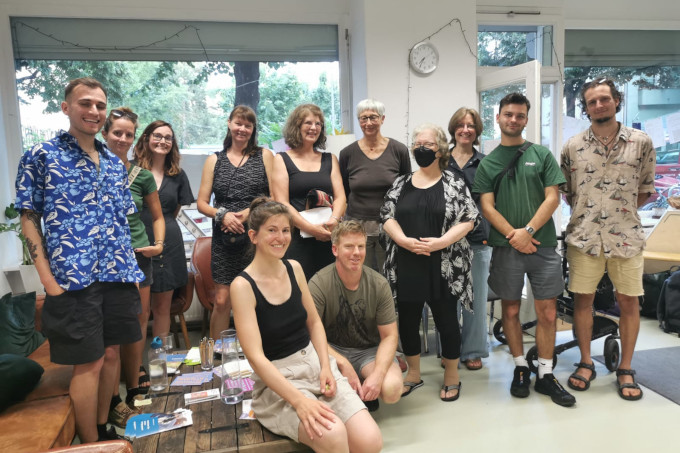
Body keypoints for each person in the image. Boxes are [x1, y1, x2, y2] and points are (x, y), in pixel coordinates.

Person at [15, 77, 145, 442]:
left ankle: (104, 428)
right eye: (85, 103)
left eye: (100, 105)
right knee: (88, 364)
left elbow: (121, 221)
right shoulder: (42, 155)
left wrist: (130, 270)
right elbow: (29, 218)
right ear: (66, 107)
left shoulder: (114, 163)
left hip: (117, 274)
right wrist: (48, 281)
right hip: (73, 279)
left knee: (112, 354)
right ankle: (90, 445)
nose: (94, 111)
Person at [230, 198, 382, 453]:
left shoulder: (294, 268)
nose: (281, 237)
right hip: (279, 380)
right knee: (333, 436)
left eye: (286, 230)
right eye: (272, 230)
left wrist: (326, 366)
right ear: (253, 236)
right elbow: (256, 358)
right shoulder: (242, 286)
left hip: (313, 363)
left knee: (370, 441)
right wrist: (299, 401)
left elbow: (314, 323)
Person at [472, 92, 575, 407]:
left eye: (519, 115)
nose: (513, 120)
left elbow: (553, 198)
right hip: (506, 249)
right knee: (512, 311)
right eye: (508, 114)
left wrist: (527, 231)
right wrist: (512, 235)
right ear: (498, 118)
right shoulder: (488, 163)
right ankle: (520, 367)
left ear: (526, 119)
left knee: (547, 312)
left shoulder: (541, 155)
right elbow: (486, 206)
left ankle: (545, 374)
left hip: (541, 246)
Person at [560, 78, 655, 401]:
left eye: (604, 99)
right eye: (592, 102)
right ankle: (586, 362)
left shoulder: (641, 142)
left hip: (626, 238)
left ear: (617, 101)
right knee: (582, 301)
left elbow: (645, 191)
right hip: (583, 238)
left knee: (629, 302)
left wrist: (618, 212)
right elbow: (569, 194)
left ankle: (626, 367)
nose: (598, 105)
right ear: (586, 109)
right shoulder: (573, 146)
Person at [381, 123, 478, 402]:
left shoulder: (454, 183)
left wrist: (440, 243)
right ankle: (413, 374)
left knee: (447, 321)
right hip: (406, 262)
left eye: (428, 144)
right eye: (417, 144)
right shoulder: (401, 183)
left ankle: (451, 376)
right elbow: (386, 215)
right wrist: (402, 240)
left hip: (444, 263)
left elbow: (469, 218)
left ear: (441, 150)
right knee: (408, 321)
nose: (421, 149)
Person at [101, 107, 165, 425]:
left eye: (129, 134)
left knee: (139, 323)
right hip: (107, 260)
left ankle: (134, 389)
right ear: (105, 133)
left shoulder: (141, 176)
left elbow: (157, 217)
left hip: (139, 256)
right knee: (114, 329)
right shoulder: (93, 169)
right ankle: (112, 399)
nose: (123, 139)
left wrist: (159, 244)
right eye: (117, 133)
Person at [308, 220, 402, 412]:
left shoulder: (379, 284)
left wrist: (377, 375)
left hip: (368, 351)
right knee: (326, 391)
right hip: (331, 351)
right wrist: (342, 363)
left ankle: (363, 383)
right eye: (349, 246)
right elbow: (309, 335)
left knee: (391, 390)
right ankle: (354, 387)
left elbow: (390, 335)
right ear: (335, 250)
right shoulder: (318, 283)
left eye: (360, 246)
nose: (356, 253)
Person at [196, 105, 273, 340]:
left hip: (256, 235)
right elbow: (201, 203)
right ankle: (219, 359)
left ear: (253, 129)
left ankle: (259, 354)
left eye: (248, 125)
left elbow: (274, 197)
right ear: (229, 123)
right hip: (224, 239)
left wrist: (249, 212)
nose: (242, 129)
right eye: (238, 123)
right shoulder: (214, 159)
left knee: (258, 297)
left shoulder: (264, 156)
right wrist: (223, 215)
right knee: (222, 300)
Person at [272, 104, 347, 280]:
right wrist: (312, 229)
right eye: (308, 123)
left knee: (329, 292)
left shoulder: (330, 159)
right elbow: (282, 203)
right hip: (297, 239)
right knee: (300, 293)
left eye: (318, 124)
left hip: (329, 237)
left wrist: (332, 223)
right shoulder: (281, 159)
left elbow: (341, 197)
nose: (314, 128)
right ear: (296, 126)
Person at [134, 120, 194, 338]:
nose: (163, 141)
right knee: (140, 311)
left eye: (168, 138)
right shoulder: (130, 170)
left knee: (162, 308)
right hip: (136, 243)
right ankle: (135, 368)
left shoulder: (177, 175)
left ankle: (160, 363)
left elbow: (173, 211)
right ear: (147, 138)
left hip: (168, 244)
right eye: (158, 136)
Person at [339, 99, 411, 272]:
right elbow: (343, 191)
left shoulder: (398, 150)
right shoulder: (347, 153)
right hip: (356, 226)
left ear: (382, 119)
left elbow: (406, 189)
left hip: (389, 225)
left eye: (373, 117)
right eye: (363, 118)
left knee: (386, 276)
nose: (368, 123)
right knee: (357, 274)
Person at [447, 107, 492, 371]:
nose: (466, 129)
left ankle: (473, 349)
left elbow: (490, 203)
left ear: (477, 131)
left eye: (471, 125)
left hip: (477, 239)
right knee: (448, 299)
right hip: (445, 240)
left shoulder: (485, 162)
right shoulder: (440, 161)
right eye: (461, 125)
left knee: (474, 298)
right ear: (453, 128)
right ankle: (451, 350)